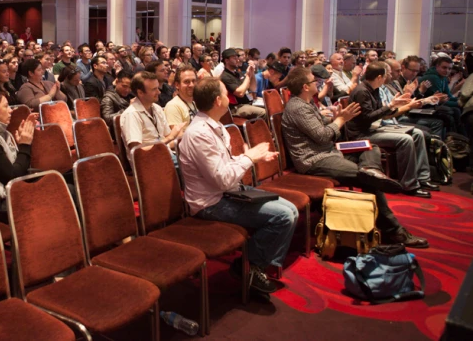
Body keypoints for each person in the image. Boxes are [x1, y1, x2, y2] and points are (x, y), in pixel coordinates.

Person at [280, 67, 429, 248]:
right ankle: (395, 232)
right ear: (305, 87)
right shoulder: (297, 107)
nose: (318, 83)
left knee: (370, 147)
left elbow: (318, 127)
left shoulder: (307, 103)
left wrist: (335, 118)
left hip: (329, 152)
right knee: (368, 180)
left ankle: (372, 169)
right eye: (314, 81)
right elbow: (322, 136)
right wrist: (340, 120)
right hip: (314, 159)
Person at [179, 77, 298, 293]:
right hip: (210, 203)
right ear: (218, 100)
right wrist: (249, 158)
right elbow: (222, 178)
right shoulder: (199, 134)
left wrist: (251, 157)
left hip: (227, 192)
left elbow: (224, 170)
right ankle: (249, 266)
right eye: (226, 93)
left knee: (290, 209)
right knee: (283, 217)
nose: (229, 97)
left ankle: (253, 264)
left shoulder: (216, 126)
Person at [346, 62, 435, 197]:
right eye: (386, 74)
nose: (389, 76)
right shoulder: (362, 91)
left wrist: (393, 106)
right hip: (360, 134)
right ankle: (409, 185)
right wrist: (390, 106)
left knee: (417, 133)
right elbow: (367, 118)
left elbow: (381, 113)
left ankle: (423, 178)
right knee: (405, 140)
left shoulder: (373, 89)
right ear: (380, 77)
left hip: (373, 129)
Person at [120, 72, 184, 156]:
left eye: (158, 88)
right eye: (154, 89)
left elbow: (167, 136)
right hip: (150, 163)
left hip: (167, 154)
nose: (159, 92)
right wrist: (169, 138)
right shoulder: (131, 115)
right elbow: (137, 151)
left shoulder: (157, 108)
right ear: (140, 93)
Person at [219, 48, 265, 119]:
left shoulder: (238, 73)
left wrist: (251, 73)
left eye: (237, 57)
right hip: (236, 108)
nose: (237, 60)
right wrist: (247, 75)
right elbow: (240, 93)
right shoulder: (225, 76)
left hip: (247, 103)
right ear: (226, 60)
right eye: (234, 58)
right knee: (264, 113)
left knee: (270, 106)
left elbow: (252, 88)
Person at [164, 65, 198, 130]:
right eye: (187, 82)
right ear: (177, 85)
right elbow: (177, 136)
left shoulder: (197, 102)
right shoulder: (173, 106)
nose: (191, 85)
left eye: (194, 81)